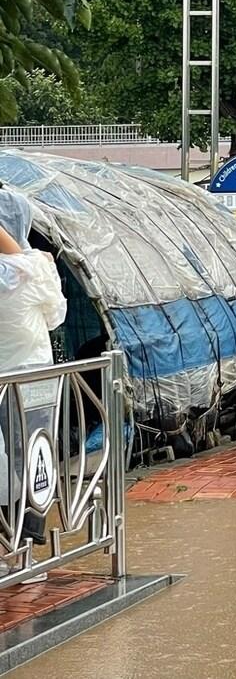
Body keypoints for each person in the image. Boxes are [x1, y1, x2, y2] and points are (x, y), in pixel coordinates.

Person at [0, 188, 64, 582]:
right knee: (33, 457)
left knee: (17, 462)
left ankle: (15, 549)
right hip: (34, 377)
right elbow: (56, 316)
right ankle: (23, 551)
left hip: (17, 378)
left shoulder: (25, 268)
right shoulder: (37, 267)